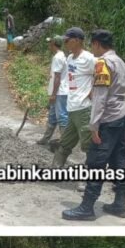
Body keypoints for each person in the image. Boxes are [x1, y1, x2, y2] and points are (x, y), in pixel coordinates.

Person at [62, 29, 125, 221]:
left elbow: (100, 97)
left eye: (93, 45)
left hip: (108, 120)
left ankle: (87, 207)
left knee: (96, 162)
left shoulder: (103, 63)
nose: (92, 49)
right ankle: (119, 204)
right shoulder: (120, 62)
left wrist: (94, 126)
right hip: (121, 117)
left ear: (97, 44)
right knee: (118, 161)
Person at [52, 27, 95, 168]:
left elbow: (103, 75)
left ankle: (91, 180)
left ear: (77, 40)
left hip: (84, 109)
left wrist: (92, 91)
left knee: (89, 146)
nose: (65, 43)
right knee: (65, 143)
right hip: (72, 108)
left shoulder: (88, 58)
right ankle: (54, 170)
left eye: (67, 40)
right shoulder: (70, 58)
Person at [38, 36, 69, 147]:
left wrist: (54, 94)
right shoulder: (61, 56)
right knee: (52, 116)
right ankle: (45, 139)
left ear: (53, 44)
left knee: (62, 116)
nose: (49, 45)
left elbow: (57, 77)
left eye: (50, 43)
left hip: (60, 92)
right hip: (58, 91)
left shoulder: (58, 57)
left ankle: (65, 143)